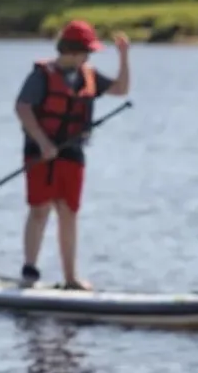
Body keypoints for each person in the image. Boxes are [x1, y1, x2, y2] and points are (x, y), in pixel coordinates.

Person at [15, 19, 130, 292]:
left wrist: (124, 57)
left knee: (69, 212)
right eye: (85, 52)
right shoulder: (41, 76)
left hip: (72, 152)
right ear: (71, 51)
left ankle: (70, 278)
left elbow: (120, 89)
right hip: (40, 153)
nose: (88, 57)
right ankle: (29, 271)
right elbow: (22, 108)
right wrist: (43, 143)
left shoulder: (87, 75)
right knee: (40, 209)